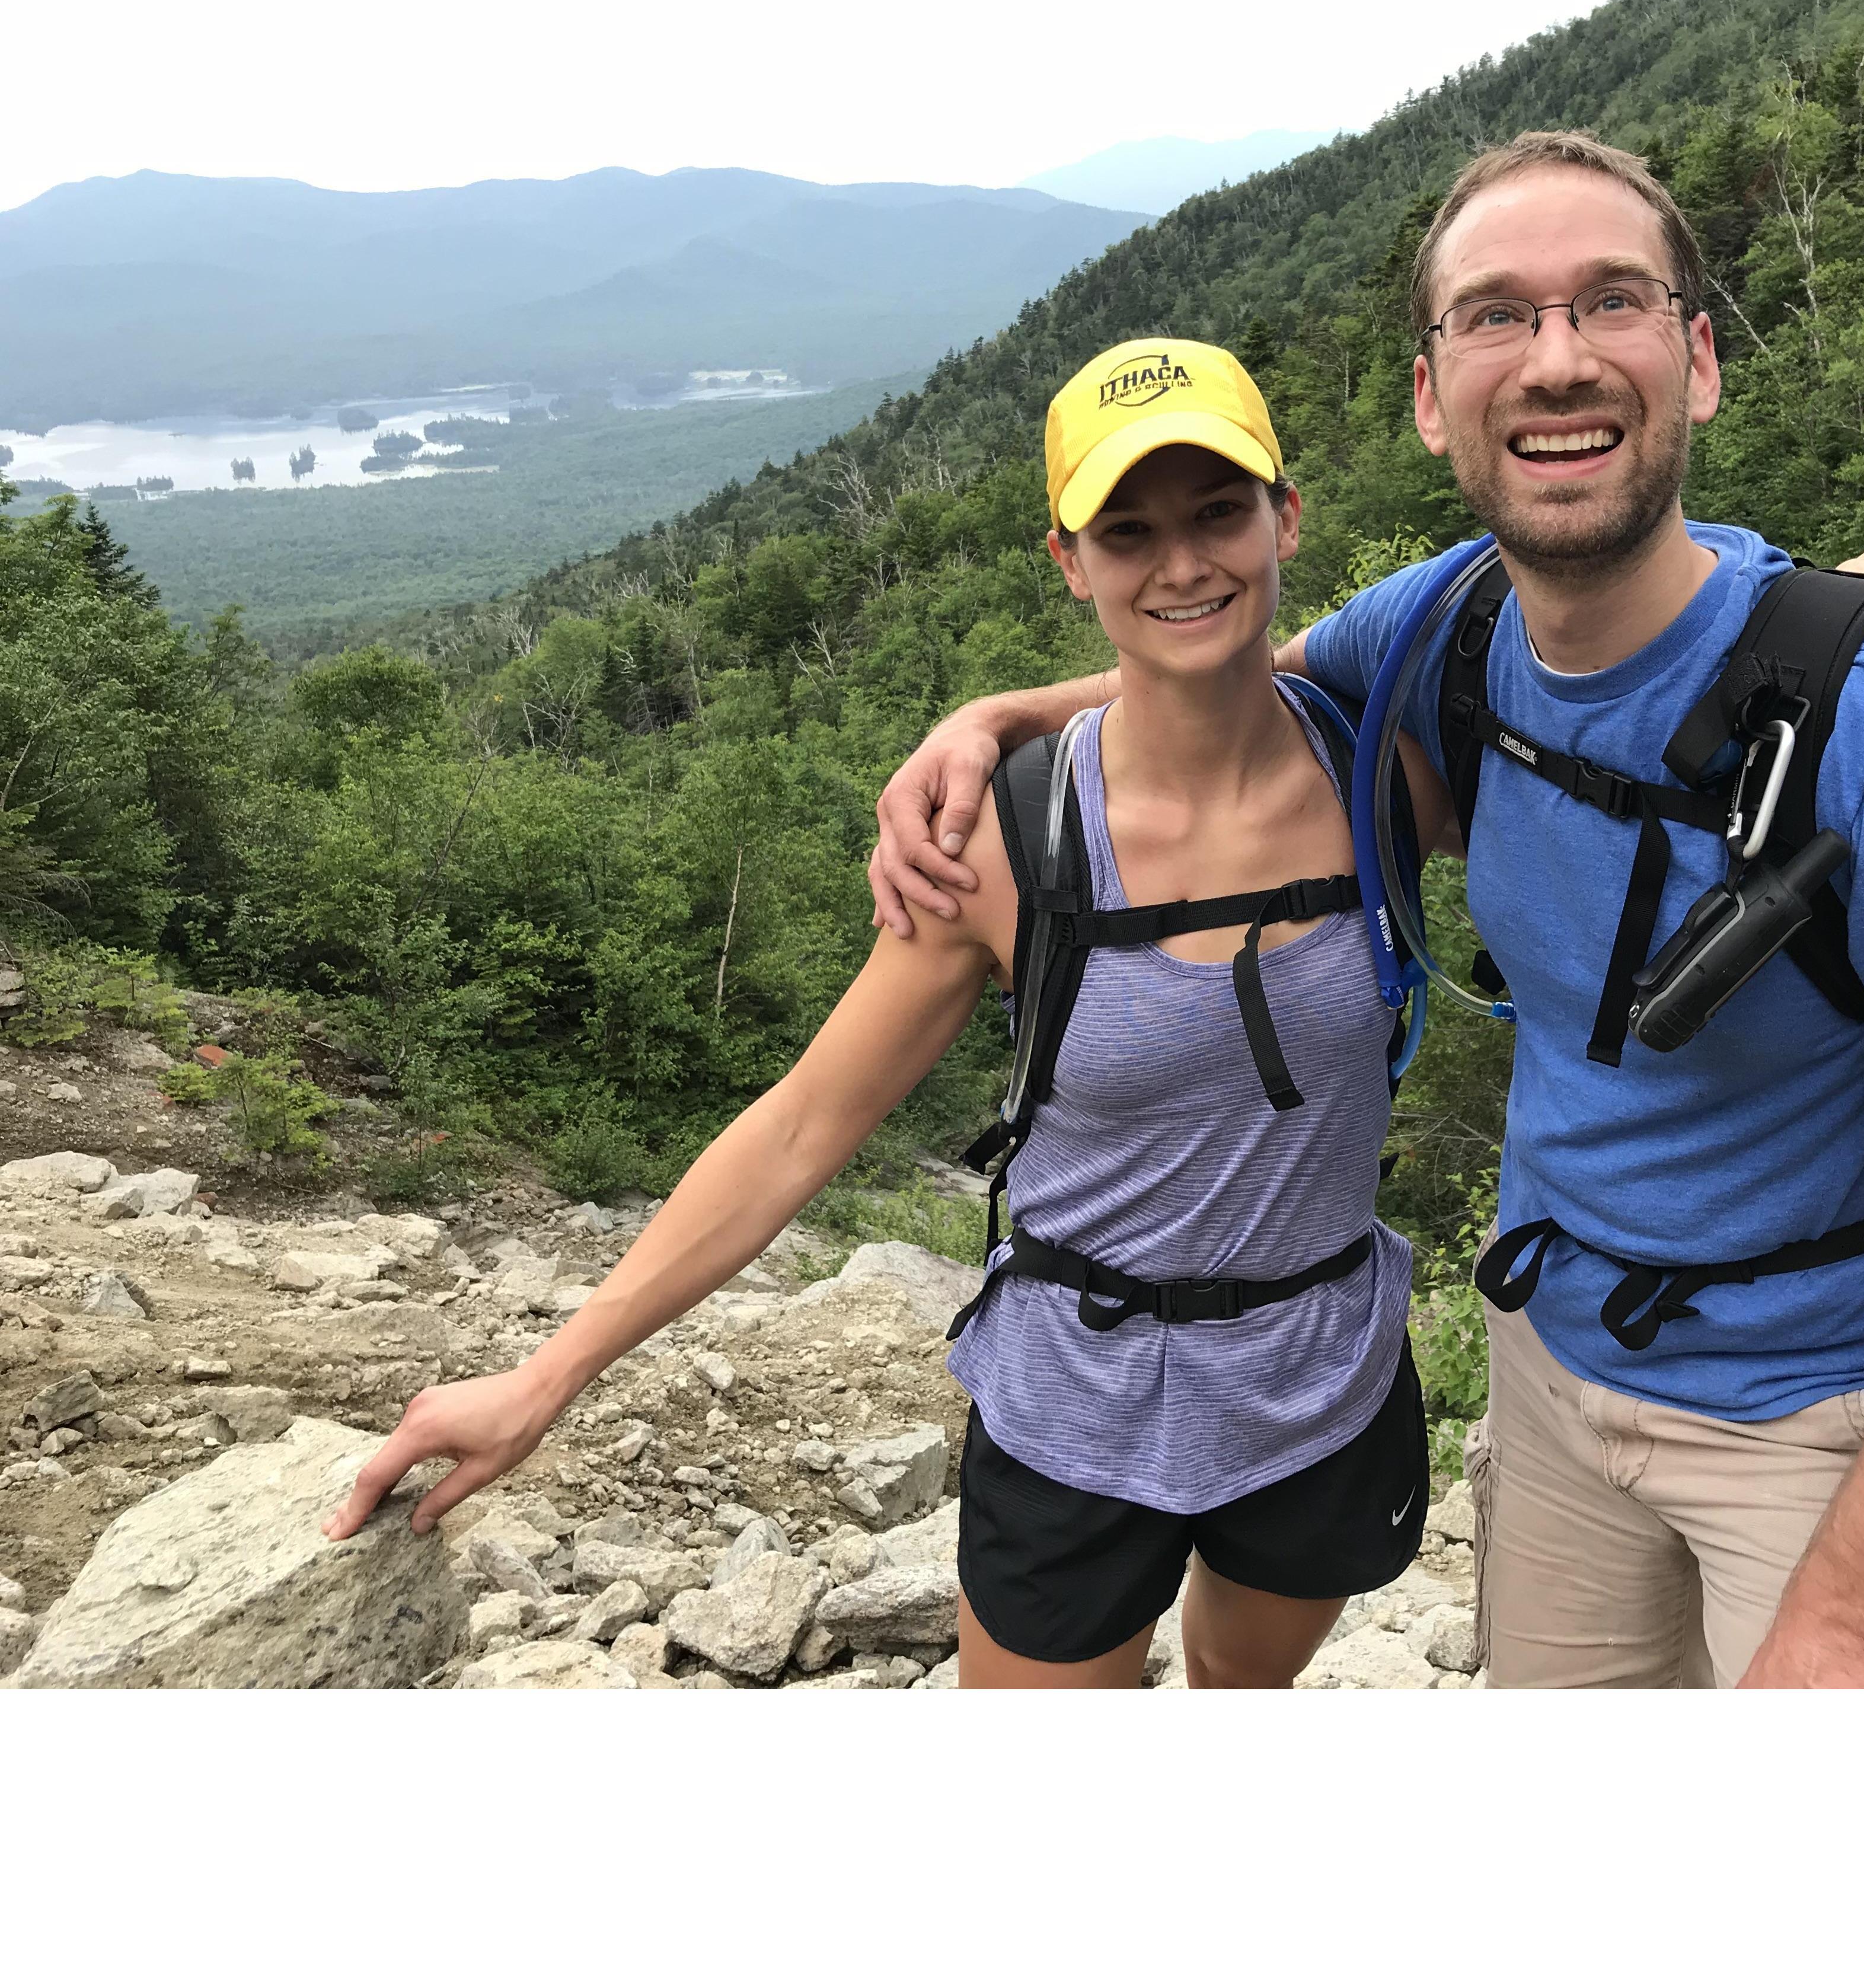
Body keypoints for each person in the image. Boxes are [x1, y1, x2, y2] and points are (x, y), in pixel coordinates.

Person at [869, 132, 1864, 1689]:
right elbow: (1212, 664)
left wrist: (1851, 1609)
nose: (1559, 360)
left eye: (1613, 304)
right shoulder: (1448, 626)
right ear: (1431, 394)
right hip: (1553, 1374)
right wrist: (991, 720)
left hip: (1826, 1424)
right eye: (1498, 316)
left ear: (1701, 360)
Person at [328, 340, 1454, 1688]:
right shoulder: (1003, 845)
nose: (1182, 564)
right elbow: (804, 1127)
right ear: (1068, 562)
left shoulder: (1388, 768)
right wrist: (546, 1376)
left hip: (1320, 1379)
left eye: (1219, 512)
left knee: (1239, 1695)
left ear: (1286, 516)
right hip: (1075, 1402)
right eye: (1128, 532)